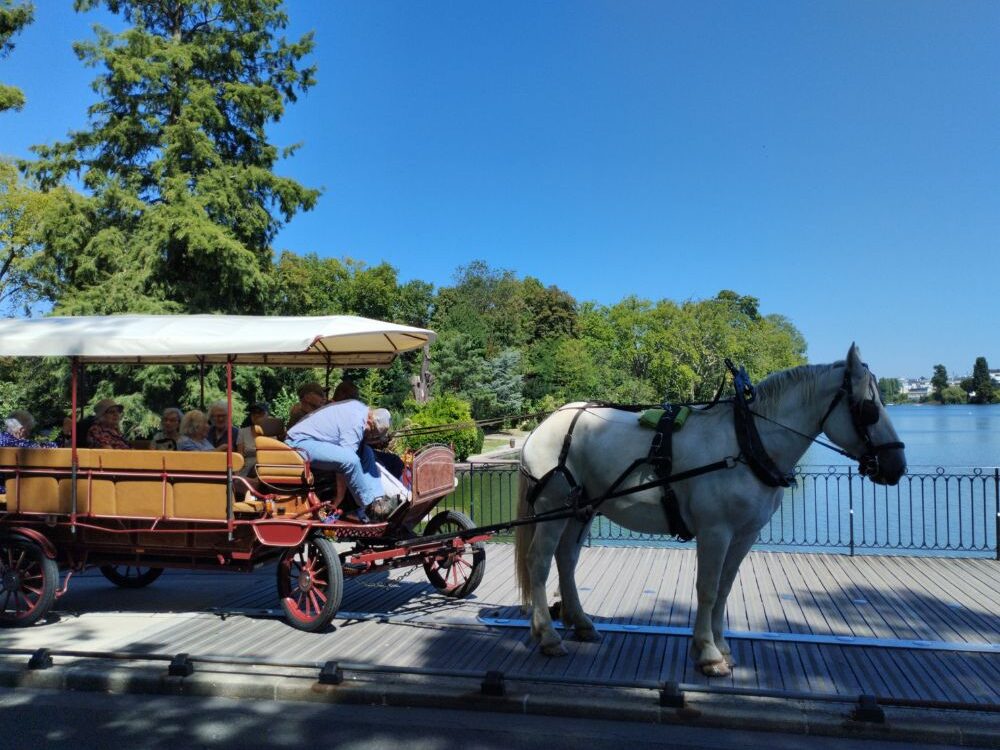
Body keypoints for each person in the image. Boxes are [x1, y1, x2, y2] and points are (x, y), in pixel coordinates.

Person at [285, 398, 398, 522]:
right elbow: (345, 462)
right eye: (372, 433)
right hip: (299, 442)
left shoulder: (361, 410)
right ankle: (369, 508)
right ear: (370, 422)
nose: (371, 436)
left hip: (311, 440)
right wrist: (339, 497)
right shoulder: (355, 424)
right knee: (351, 460)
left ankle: (378, 500)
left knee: (367, 452)